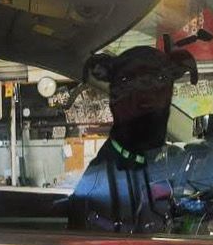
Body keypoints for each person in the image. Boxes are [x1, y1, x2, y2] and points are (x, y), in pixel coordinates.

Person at [68, 45, 197, 233]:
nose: (145, 96)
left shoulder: (156, 165)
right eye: (126, 80)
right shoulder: (102, 182)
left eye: (159, 79)